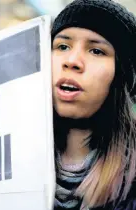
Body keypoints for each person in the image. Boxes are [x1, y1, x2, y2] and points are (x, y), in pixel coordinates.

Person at [51, 0, 136, 209]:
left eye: (96, 51)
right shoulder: (3, 159)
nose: (72, 61)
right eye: (62, 46)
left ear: (122, 76)